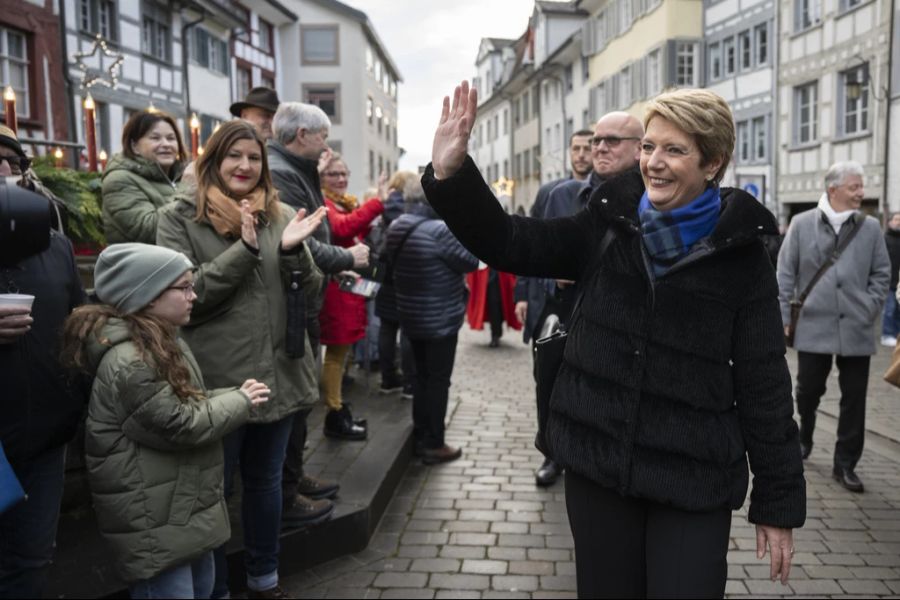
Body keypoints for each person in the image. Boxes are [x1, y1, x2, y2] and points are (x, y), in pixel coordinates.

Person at [423, 81, 805, 597]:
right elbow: (512, 242)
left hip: (691, 477)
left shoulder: (743, 255)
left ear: (712, 162)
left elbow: (765, 383)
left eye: (674, 150)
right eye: (649, 146)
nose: (654, 162)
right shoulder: (607, 221)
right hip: (598, 462)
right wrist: (452, 175)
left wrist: (777, 501)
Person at [156, 120, 325, 599]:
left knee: (266, 484)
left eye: (254, 158)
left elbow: (311, 294)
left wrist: (293, 253)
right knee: (212, 493)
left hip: (278, 373)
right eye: (235, 156)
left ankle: (263, 578)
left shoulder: (281, 212)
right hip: (216, 380)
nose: (245, 166)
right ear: (213, 160)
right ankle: (216, 589)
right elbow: (184, 299)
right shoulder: (179, 217)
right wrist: (245, 250)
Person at [60, 243, 271, 599]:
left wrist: (233, 393)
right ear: (148, 296)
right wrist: (239, 401)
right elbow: (180, 424)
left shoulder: (162, 340)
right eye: (184, 286)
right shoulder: (131, 361)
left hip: (175, 514)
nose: (194, 294)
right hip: (155, 524)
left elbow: (184, 402)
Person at [515, 124, 638, 487]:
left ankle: (588, 453)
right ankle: (552, 453)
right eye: (585, 146)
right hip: (557, 304)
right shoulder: (557, 194)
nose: (591, 152)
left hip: (605, 307)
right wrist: (527, 290)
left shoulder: (642, 194)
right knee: (547, 377)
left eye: (602, 143)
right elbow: (530, 243)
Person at [269, 102, 364, 527]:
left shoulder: (295, 169)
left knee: (301, 398)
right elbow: (299, 241)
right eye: (322, 135)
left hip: (304, 296)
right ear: (301, 134)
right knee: (294, 398)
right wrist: (348, 256)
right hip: (292, 299)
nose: (326, 144)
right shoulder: (284, 174)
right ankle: (286, 493)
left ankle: (294, 478)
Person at [777, 161, 890, 493]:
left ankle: (845, 463)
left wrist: (869, 307)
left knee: (854, 399)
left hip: (856, 327)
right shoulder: (801, 224)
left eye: (861, 186)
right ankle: (804, 437)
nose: (861, 192)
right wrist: (783, 317)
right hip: (813, 326)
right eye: (855, 186)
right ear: (833, 189)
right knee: (808, 391)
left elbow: (882, 274)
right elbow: (784, 275)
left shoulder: (870, 229)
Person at [0, 186, 85, 599]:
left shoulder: (55, 246)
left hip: (46, 438)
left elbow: (79, 323)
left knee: (33, 559)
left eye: (10, 163)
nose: (2, 173)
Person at [386, 178, 478, 465]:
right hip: (440, 319)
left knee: (420, 378)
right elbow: (471, 261)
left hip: (410, 316)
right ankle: (434, 443)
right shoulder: (440, 231)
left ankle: (421, 433)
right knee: (438, 381)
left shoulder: (397, 226)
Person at [318, 153, 386, 440]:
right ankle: (334, 413)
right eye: (334, 174)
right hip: (335, 289)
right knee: (335, 354)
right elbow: (342, 228)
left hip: (346, 288)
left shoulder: (342, 202)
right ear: (321, 177)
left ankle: (338, 407)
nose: (341, 179)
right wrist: (377, 202)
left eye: (344, 173)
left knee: (342, 352)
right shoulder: (325, 203)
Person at [102, 110, 186, 244]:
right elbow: (149, 230)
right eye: (155, 138)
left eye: (171, 138)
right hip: (148, 262)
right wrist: (187, 190)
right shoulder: (119, 179)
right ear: (134, 146)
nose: (166, 144)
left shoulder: (181, 176)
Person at [376, 170, 419, 397]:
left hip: (386, 277)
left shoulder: (383, 206)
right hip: (408, 277)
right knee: (407, 332)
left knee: (386, 329)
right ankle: (410, 383)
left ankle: (387, 379)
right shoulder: (411, 208)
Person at [882, 212, 900, 346]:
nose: (898, 222)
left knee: (898, 311)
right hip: (889, 281)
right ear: (890, 222)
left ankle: (896, 335)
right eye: (896, 219)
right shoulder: (885, 238)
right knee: (889, 309)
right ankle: (887, 334)